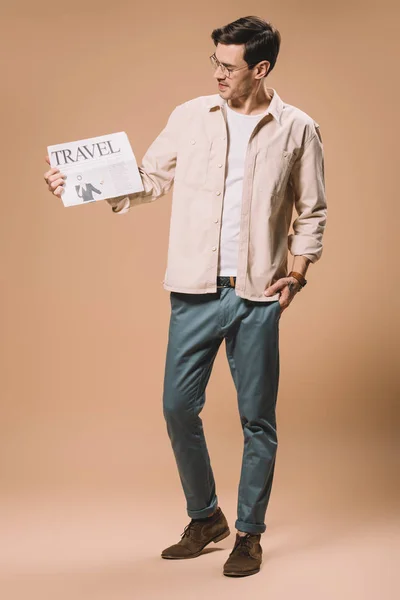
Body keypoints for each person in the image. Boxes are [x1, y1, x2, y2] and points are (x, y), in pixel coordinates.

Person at [43, 15, 327, 578]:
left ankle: (249, 531)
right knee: (178, 407)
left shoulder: (298, 129)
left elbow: (311, 210)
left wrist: (297, 272)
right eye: (214, 62)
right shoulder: (189, 117)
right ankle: (206, 518)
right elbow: (149, 178)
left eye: (229, 65)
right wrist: (81, 184)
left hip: (257, 295)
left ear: (260, 68)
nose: (217, 73)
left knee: (257, 419)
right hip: (194, 290)